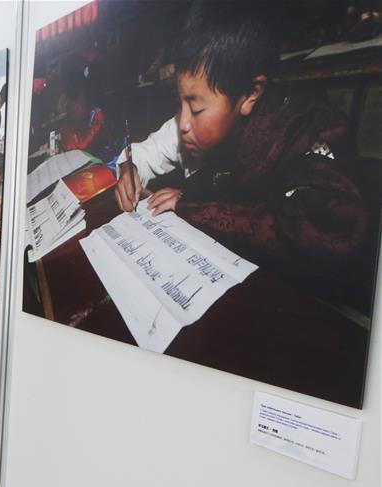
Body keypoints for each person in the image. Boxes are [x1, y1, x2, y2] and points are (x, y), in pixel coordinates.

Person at [113, 0, 369, 305]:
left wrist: (194, 207)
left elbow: (332, 236)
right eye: (180, 104)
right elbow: (138, 155)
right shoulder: (187, 129)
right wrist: (129, 168)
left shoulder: (300, 135)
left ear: (250, 95)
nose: (182, 122)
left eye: (195, 107)